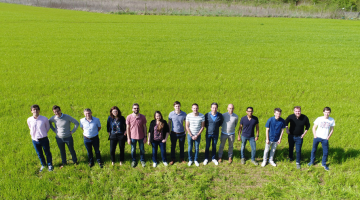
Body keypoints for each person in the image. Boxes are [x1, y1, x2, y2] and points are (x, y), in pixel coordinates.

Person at [27, 104, 53, 172]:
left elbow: (47, 128)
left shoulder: (44, 119)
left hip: (44, 139)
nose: (35, 111)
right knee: (39, 154)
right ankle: (43, 165)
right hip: (35, 140)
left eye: (36, 109)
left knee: (47, 152)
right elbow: (30, 127)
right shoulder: (29, 119)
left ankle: (50, 164)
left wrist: (43, 133)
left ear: (39, 110)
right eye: (33, 109)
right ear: (31, 111)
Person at [126, 103, 147, 168]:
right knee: (133, 149)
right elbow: (127, 128)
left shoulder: (142, 117)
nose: (136, 109)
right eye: (135, 108)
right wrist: (128, 138)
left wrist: (145, 137)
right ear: (132, 109)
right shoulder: (129, 117)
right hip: (132, 137)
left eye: (137, 108)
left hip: (141, 137)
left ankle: (142, 160)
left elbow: (145, 127)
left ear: (139, 109)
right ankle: (134, 160)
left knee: (142, 149)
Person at [168, 101, 187, 165]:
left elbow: (186, 123)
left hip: (182, 133)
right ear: (174, 107)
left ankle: (182, 158)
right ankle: (172, 159)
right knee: (173, 146)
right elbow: (169, 123)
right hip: (173, 133)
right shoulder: (171, 114)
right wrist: (169, 131)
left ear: (180, 106)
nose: (177, 107)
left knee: (182, 146)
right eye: (176, 106)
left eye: (178, 106)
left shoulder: (184, 114)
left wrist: (186, 131)